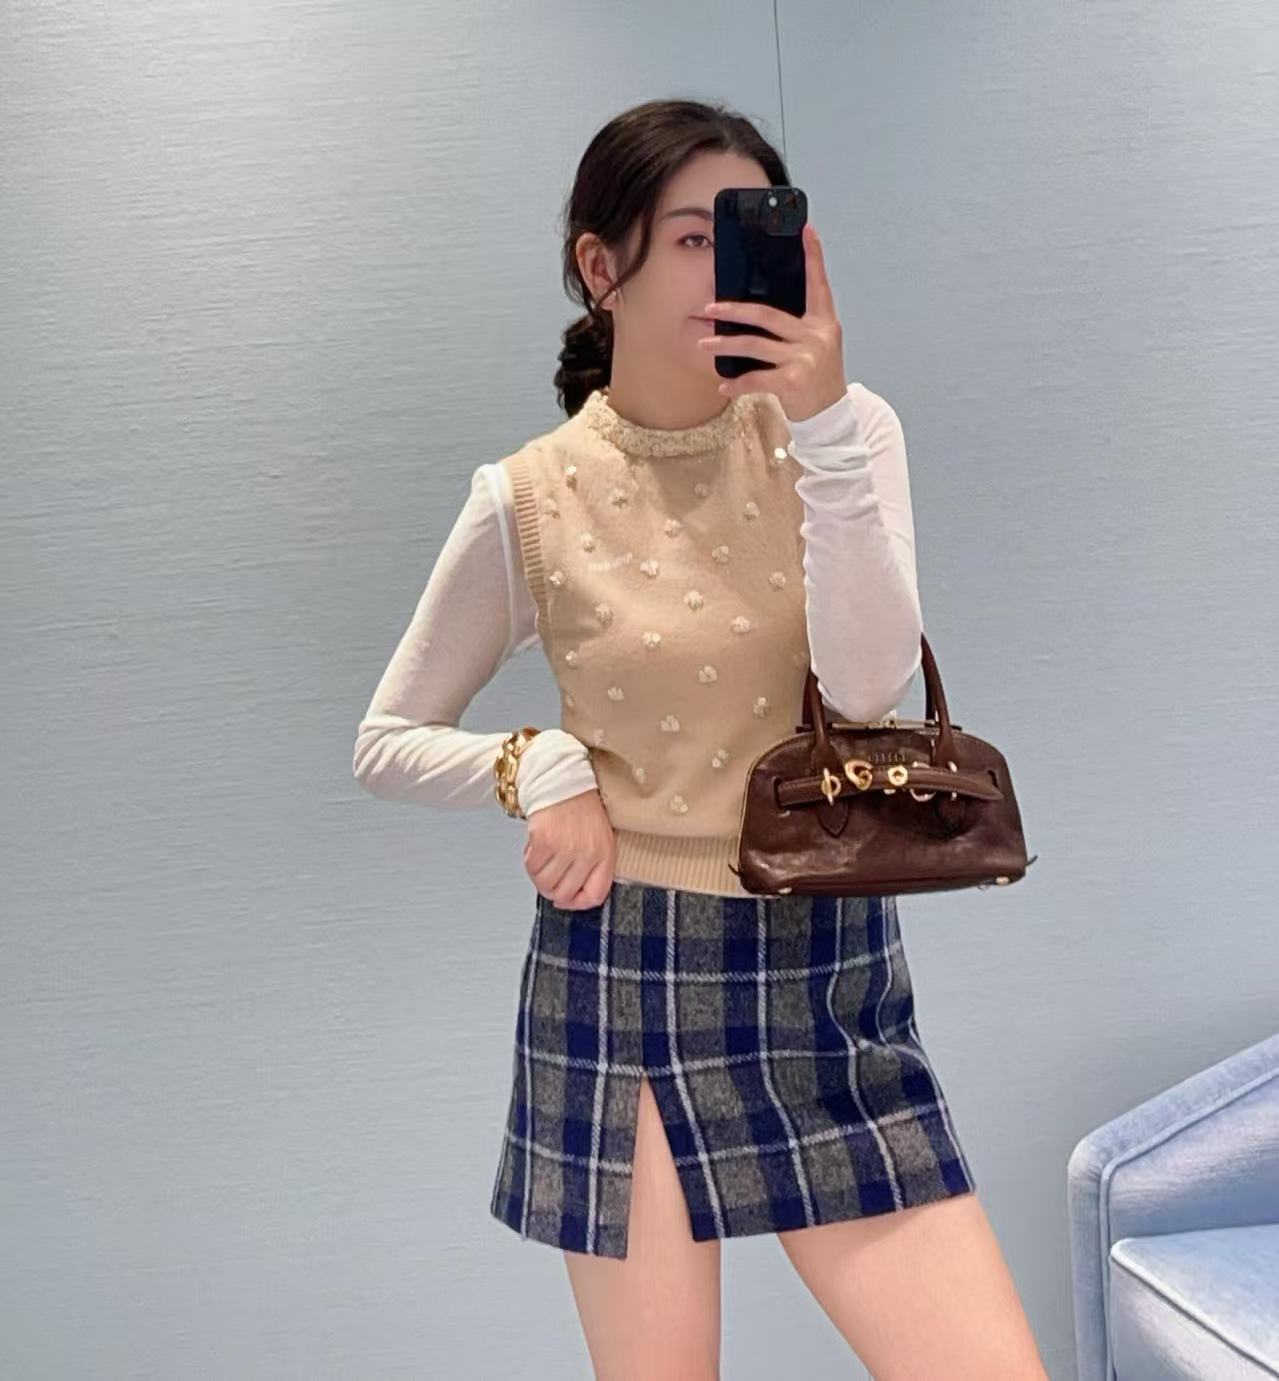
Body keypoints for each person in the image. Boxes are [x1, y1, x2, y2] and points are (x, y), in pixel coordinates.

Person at [354, 98, 1048, 1381]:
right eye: (689, 237)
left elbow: (869, 684)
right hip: (624, 975)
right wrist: (538, 767)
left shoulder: (847, 432)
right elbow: (387, 737)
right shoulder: (528, 497)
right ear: (599, 265)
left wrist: (821, 424)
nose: (722, 267)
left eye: (743, 234)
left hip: (830, 968)